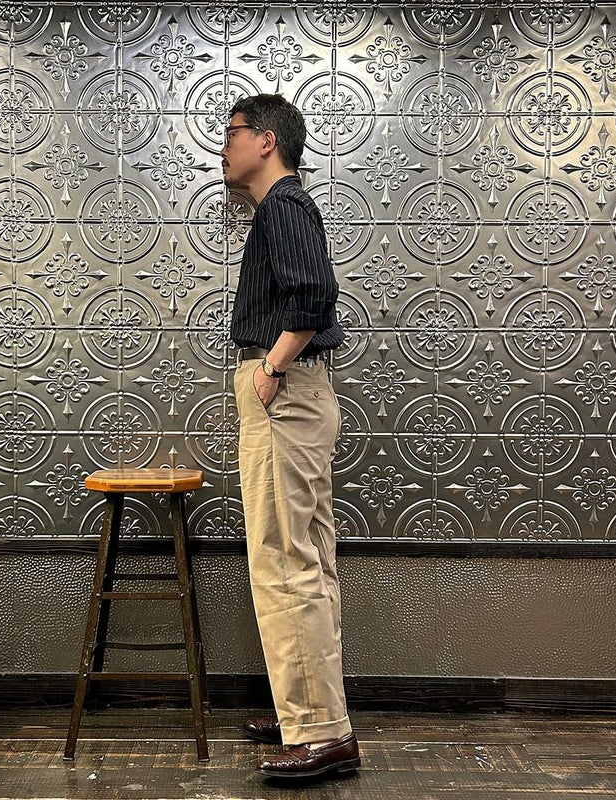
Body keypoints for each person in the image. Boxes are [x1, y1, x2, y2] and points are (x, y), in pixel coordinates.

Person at [222, 93, 360, 781]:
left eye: (232, 133)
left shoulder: (284, 205)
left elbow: (313, 297)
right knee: (306, 559)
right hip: (297, 396)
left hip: (286, 393)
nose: (224, 147)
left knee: (284, 561)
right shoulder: (282, 208)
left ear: (266, 140)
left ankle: (322, 732)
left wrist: (270, 370)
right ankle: (308, 711)